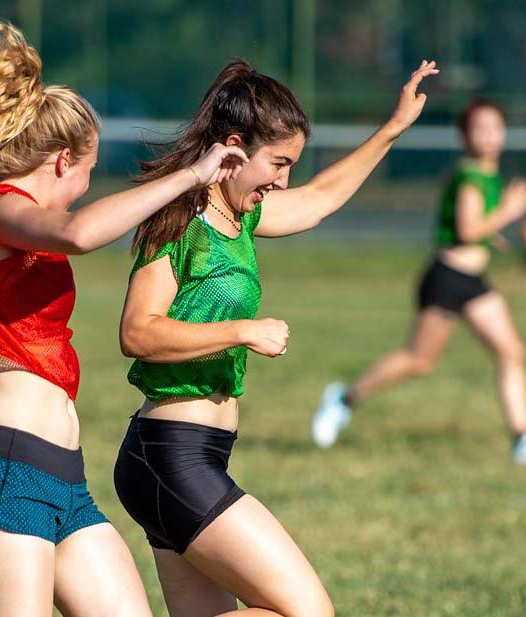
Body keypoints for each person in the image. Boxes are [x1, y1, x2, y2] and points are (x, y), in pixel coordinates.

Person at [0, 10, 248, 616]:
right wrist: (190, 176)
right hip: (6, 475)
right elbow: (78, 233)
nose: (87, 185)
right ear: (65, 160)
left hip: (65, 482)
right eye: (90, 171)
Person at [114, 58, 438, 616]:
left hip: (197, 456)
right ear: (235, 148)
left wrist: (393, 128)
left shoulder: (240, 218)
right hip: (169, 457)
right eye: (278, 163)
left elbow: (319, 200)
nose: (283, 180)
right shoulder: (178, 219)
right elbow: (138, 333)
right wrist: (242, 330)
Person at [312, 98, 526, 466]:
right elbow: (468, 229)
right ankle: (343, 399)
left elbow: (476, 230)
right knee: (418, 360)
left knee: (510, 351)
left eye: (495, 127)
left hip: (474, 280)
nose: (489, 136)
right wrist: (508, 211)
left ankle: (520, 436)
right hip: (447, 279)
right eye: (480, 128)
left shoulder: (489, 175)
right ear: (465, 135)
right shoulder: (470, 177)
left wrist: (497, 235)